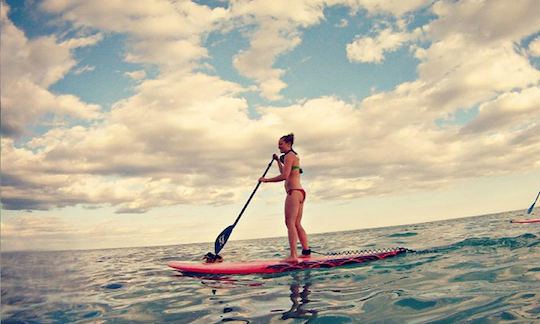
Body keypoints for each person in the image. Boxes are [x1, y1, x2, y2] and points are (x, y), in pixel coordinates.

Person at [259, 133, 310, 262]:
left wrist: (266, 180)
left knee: (290, 223)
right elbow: (286, 172)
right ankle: (306, 251)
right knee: (297, 223)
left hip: (293, 192)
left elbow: (284, 177)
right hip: (300, 192)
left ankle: (293, 256)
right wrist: (277, 161)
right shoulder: (293, 156)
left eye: (281, 144)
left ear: (288, 144)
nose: (279, 147)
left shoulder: (288, 156)